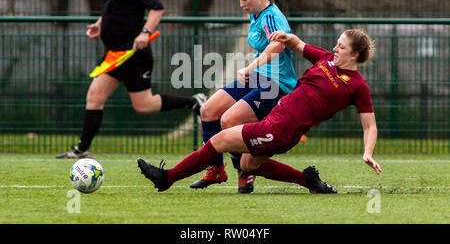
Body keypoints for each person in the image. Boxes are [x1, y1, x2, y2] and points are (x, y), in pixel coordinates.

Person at [137, 29, 382, 194]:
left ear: (355, 54)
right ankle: (308, 180)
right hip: (278, 120)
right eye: (337, 44)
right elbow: (297, 44)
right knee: (247, 164)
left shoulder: (358, 86)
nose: (335, 48)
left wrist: (368, 152)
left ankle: (166, 178)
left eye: (341, 47)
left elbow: (369, 125)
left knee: (219, 140)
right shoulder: (326, 60)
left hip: (281, 129)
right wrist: (285, 35)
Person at [56, 0, 206, 159]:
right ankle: (82, 150)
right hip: (114, 57)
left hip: (134, 56)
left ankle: (193, 101)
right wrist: (99, 25)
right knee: (94, 97)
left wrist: (145, 32)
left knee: (144, 106)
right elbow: (113, 13)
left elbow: (157, 7)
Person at [190, 0, 298, 193]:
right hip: (259, 77)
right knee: (209, 111)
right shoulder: (256, 14)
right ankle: (216, 170)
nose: (241, 4)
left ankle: (245, 175)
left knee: (230, 120)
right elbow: (262, 47)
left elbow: (278, 47)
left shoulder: (271, 16)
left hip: (276, 84)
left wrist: (250, 67)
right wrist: (253, 65)